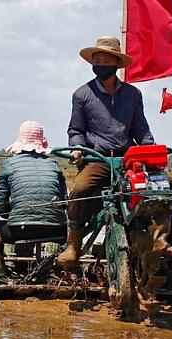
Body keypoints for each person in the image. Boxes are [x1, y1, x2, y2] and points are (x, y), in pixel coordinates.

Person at [57, 36, 155, 270]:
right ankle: (73, 245)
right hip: (97, 159)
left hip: (127, 159)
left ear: (116, 64)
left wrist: (151, 151)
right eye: (96, 59)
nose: (100, 63)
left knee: (162, 187)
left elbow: (141, 129)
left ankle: (158, 240)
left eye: (105, 59)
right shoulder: (82, 94)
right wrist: (78, 149)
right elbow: (76, 129)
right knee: (80, 189)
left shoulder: (133, 94)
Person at [0, 121, 68, 252]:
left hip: (20, 230)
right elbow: (65, 202)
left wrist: (17, 212)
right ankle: (61, 265)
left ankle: (2, 267)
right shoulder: (53, 164)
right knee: (69, 230)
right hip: (55, 229)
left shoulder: (9, 164)